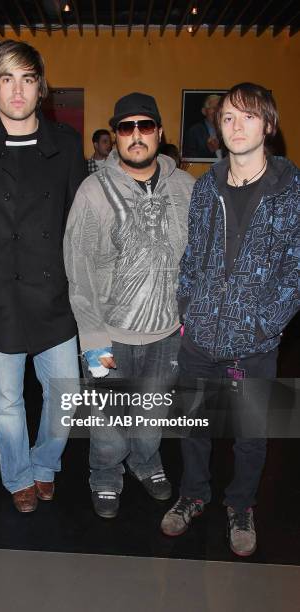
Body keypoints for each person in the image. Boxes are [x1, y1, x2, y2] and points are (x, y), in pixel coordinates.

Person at [161, 82, 299, 556]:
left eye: (248, 116)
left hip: (256, 344)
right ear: (218, 128)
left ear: (269, 124)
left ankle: (241, 504)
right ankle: (193, 494)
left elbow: (295, 270)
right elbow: (191, 256)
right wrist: (187, 309)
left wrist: (265, 325)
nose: (237, 126)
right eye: (228, 117)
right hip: (198, 336)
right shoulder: (205, 187)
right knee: (194, 426)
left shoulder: (292, 190)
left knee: (250, 434)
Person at [0, 40, 86, 513]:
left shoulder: (67, 146)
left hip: (54, 295)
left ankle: (45, 463)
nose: (17, 90)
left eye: (27, 79)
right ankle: (18, 475)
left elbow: (78, 220)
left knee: (64, 396)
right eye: (6, 79)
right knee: (7, 403)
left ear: (40, 87)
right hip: (1, 295)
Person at [64, 92, 195, 518]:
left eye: (145, 126)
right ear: (116, 136)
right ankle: (104, 474)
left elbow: (199, 259)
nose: (136, 136)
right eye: (126, 127)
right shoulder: (92, 191)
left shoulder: (186, 188)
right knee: (107, 425)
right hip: (108, 334)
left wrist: (187, 321)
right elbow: (78, 270)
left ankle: (145, 463)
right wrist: (93, 340)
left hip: (166, 336)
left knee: (151, 418)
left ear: (159, 132)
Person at [183, 94, 222, 159]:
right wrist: (208, 150)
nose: (217, 112)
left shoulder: (229, 130)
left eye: (220, 108)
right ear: (204, 111)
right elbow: (189, 158)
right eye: (214, 108)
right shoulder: (194, 131)